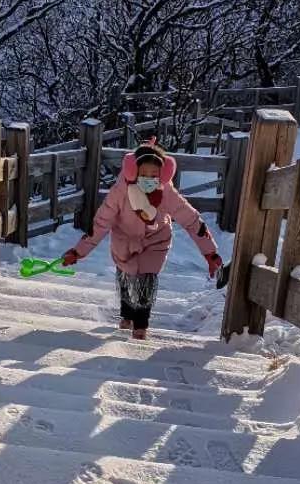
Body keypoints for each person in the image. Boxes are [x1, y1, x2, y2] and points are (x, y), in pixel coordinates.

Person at [61, 139, 222, 340]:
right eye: (143, 174)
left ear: (162, 175)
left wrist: (210, 252)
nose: (148, 178)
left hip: (156, 241)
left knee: (146, 279)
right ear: (133, 171)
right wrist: (78, 252)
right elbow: (101, 223)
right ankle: (127, 313)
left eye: (154, 175)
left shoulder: (166, 193)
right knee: (126, 277)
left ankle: (141, 324)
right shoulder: (120, 191)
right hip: (124, 240)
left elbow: (191, 219)